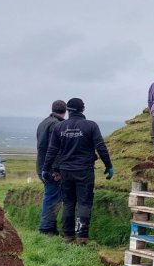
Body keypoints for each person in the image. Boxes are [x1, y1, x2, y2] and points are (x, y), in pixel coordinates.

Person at [41, 98, 113, 245]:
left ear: (68, 110)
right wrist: (108, 165)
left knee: (68, 203)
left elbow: (52, 151)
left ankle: (67, 236)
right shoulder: (91, 126)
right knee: (84, 203)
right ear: (82, 109)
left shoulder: (59, 127)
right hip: (84, 171)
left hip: (65, 171)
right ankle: (82, 237)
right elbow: (100, 147)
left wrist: (46, 168)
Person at [35, 100, 67, 235]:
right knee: (52, 197)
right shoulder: (57, 125)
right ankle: (46, 228)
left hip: (41, 166)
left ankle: (50, 226)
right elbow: (56, 149)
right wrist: (57, 170)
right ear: (65, 111)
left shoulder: (43, 123)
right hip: (51, 169)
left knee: (52, 196)